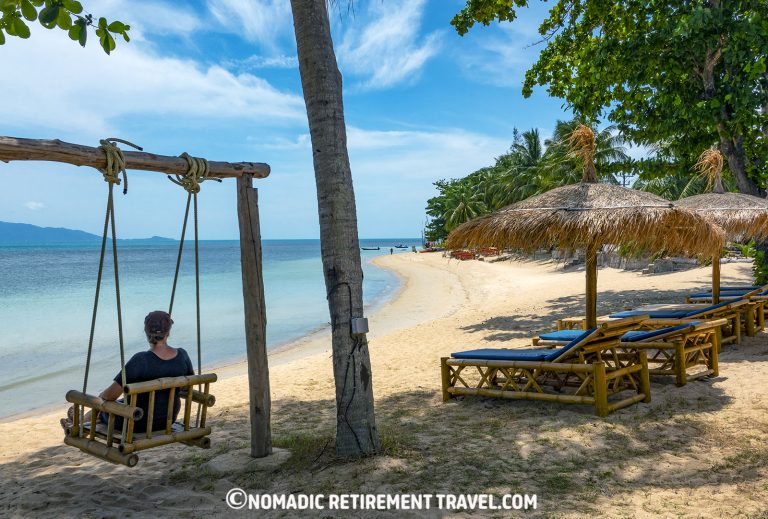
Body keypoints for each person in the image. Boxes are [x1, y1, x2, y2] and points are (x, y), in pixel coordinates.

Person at [62, 310, 194, 434]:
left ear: (146, 333)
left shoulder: (140, 360)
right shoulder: (182, 355)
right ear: (168, 332)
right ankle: (78, 422)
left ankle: (78, 423)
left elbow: (110, 396)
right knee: (119, 402)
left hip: (134, 422)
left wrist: (102, 395)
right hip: (166, 421)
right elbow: (187, 387)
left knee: (104, 402)